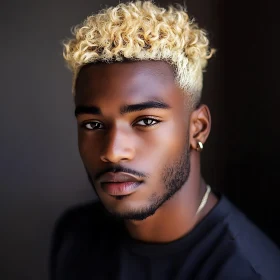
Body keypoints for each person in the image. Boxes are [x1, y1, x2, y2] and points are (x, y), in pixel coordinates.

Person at [49, 1, 280, 279]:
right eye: (93, 124)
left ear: (198, 129)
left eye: (146, 121)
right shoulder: (75, 236)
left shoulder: (244, 271)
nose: (113, 152)